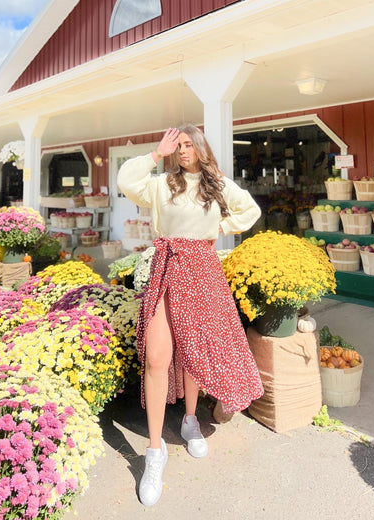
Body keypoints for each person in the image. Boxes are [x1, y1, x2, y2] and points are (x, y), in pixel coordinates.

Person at [117, 124, 264, 507]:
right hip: (167, 268)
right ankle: (154, 452)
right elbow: (126, 180)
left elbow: (251, 209)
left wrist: (222, 226)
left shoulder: (217, 184)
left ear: (199, 148)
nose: (181, 151)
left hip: (202, 270)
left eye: (186, 145)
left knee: (195, 351)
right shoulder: (162, 183)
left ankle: (190, 420)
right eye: (176, 146)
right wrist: (154, 153)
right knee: (156, 356)